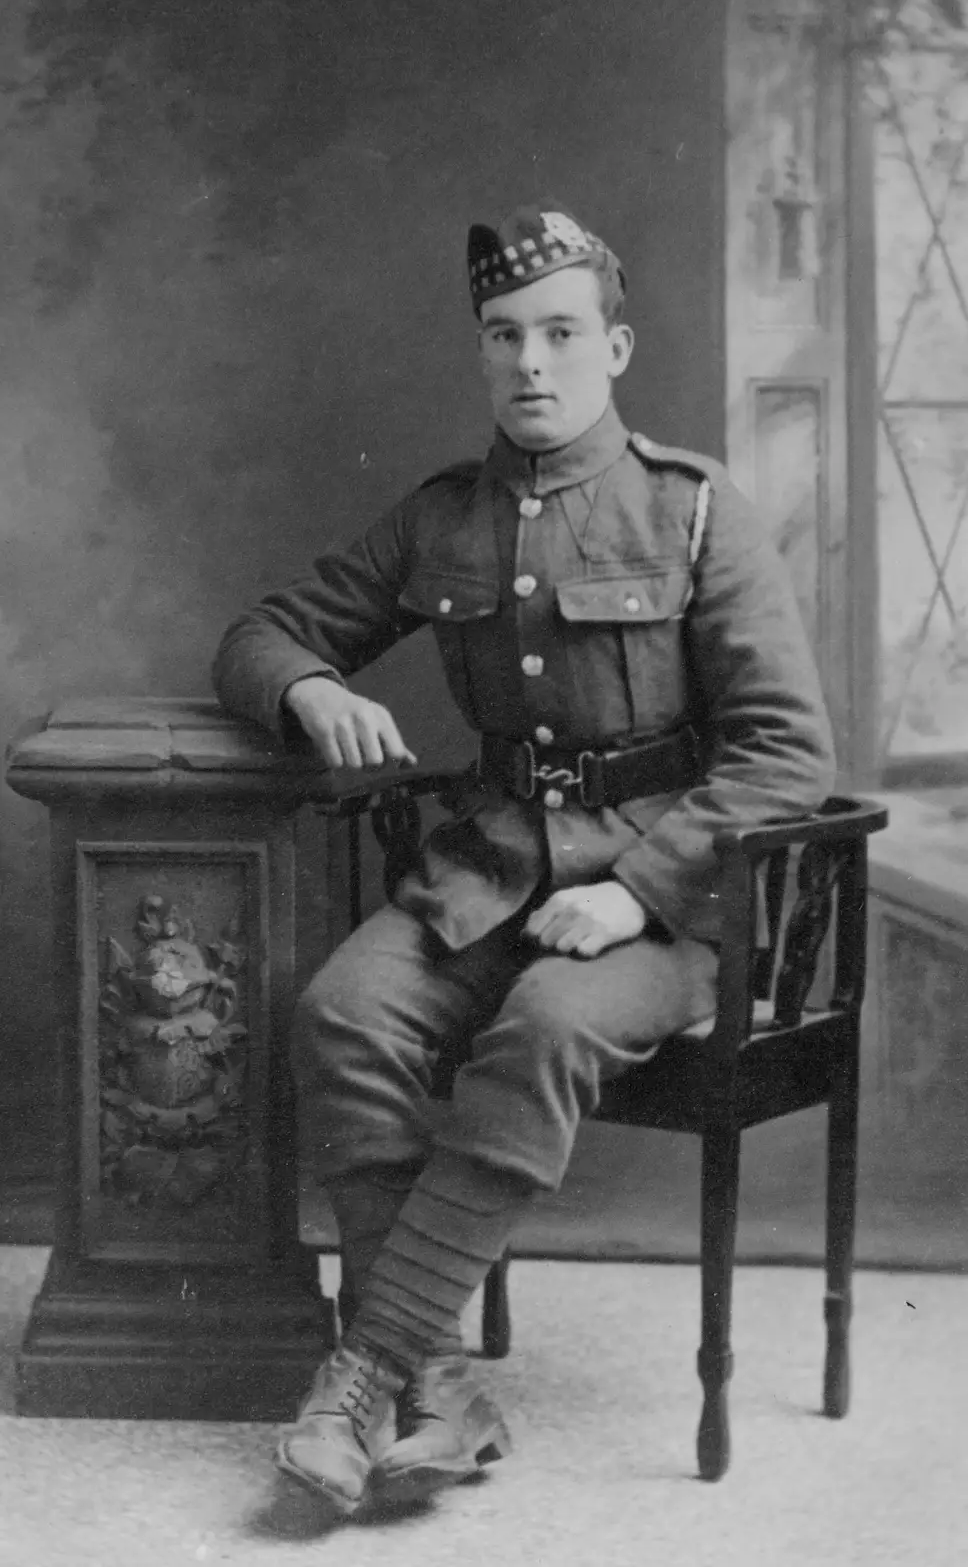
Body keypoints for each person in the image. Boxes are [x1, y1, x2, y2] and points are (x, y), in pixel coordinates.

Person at [213, 200, 835, 1521]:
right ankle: (440, 1384)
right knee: (343, 1011)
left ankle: (366, 1374)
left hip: (669, 904)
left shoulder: (695, 508)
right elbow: (266, 629)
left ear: (615, 346)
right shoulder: (444, 517)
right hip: (490, 868)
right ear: (484, 354)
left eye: (560, 333)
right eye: (505, 336)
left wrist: (638, 891)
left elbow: (785, 754)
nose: (531, 364)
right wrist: (310, 689)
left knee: (547, 1027)